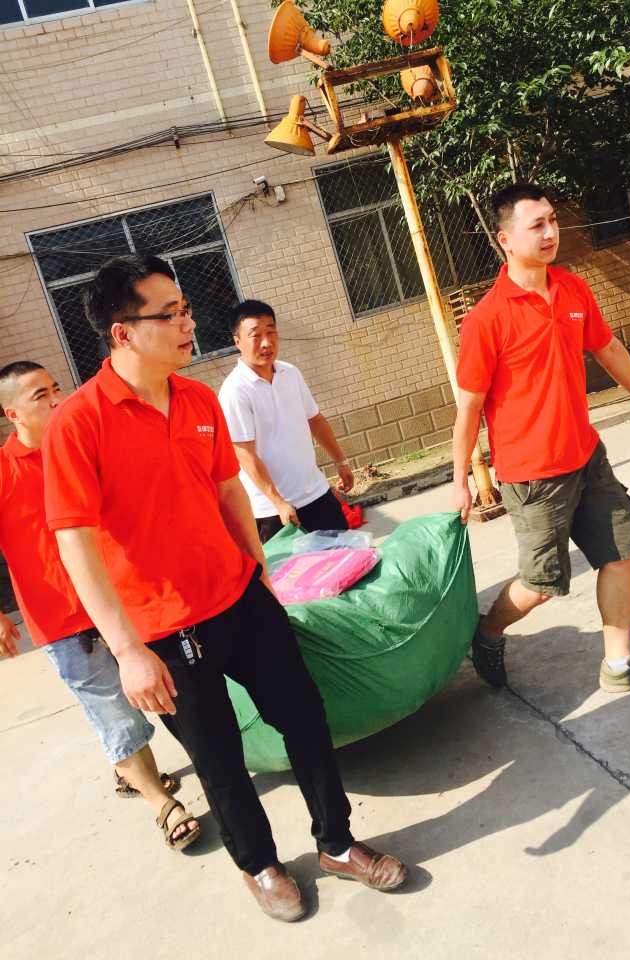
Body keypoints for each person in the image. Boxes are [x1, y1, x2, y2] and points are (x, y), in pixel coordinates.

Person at [42, 256, 407, 923]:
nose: (189, 323)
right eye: (170, 314)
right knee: (219, 759)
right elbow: (76, 545)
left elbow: (228, 490)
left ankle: (335, 842)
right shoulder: (79, 423)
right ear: (123, 332)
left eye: (186, 309)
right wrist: (127, 651)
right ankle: (260, 865)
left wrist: (257, 568)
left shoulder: (198, 399)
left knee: (304, 716)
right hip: (164, 629)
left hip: (240, 597)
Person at [452, 182, 630, 697]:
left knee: (620, 550)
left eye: (553, 221)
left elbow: (607, 347)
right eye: (537, 225)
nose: (550, 232)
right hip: (533, 476)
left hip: (586, 454)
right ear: (505, 239)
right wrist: (460, 480)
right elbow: (468, 407)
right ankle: (488, 630)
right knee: (540, 585)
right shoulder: (486, 320)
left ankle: (619, 665)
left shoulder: (572, 289)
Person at [0, 360, 199, 850]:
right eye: (40, 395)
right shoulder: (4, 472)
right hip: (63, 621)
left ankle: (135, 768)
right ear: (12, 414)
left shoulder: (83, 445)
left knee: (166, 689)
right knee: (114, 711)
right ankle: (161, 802)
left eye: (56, 388)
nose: (56, 399)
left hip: (126, 598)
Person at [218, 300, 353, 544]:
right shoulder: (235, 390)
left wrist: (340, 461)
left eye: (271, 332)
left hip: (317, 494)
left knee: (349, 559)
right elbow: (244, 453)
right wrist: (278, 501)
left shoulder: (290, 373)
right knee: (294, 570)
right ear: (237, 341)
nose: (266, 343)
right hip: (273, 511)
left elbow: (315, 420)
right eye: (256, 336)